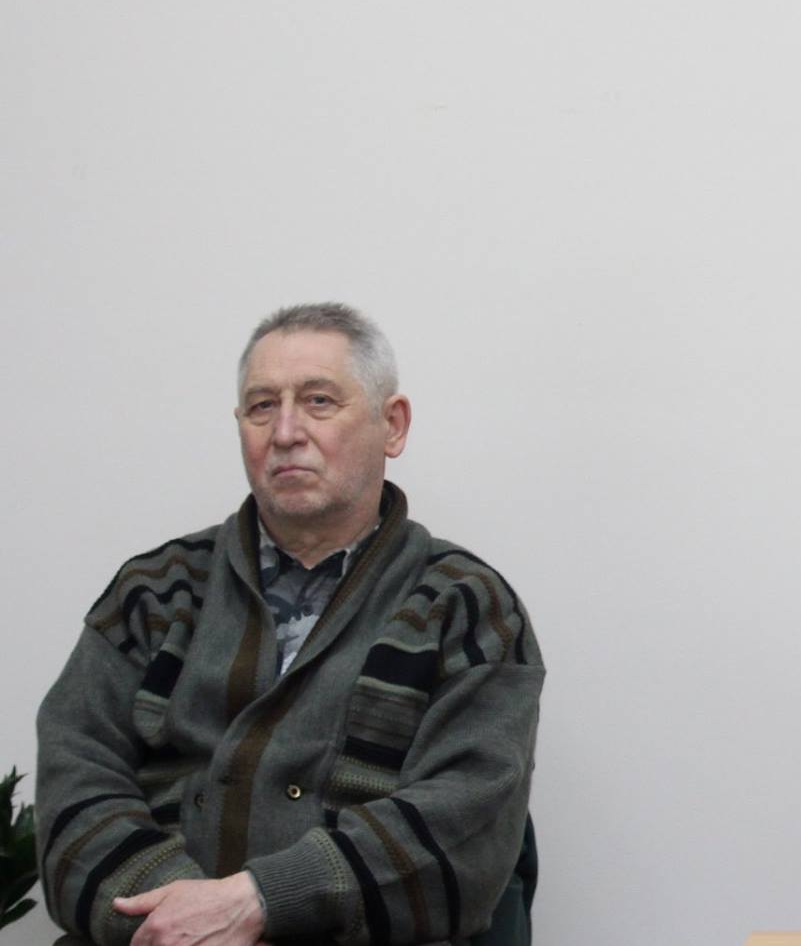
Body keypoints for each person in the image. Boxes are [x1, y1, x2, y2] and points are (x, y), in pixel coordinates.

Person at [36, 303, 544, 946]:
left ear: (392, 425)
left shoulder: (467, 608)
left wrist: (261, 902)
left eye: (318, 401)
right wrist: (182, 922)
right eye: (261, 406)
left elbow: (465, 829)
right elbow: (74, 783)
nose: (285, 432)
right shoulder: (155, 591)